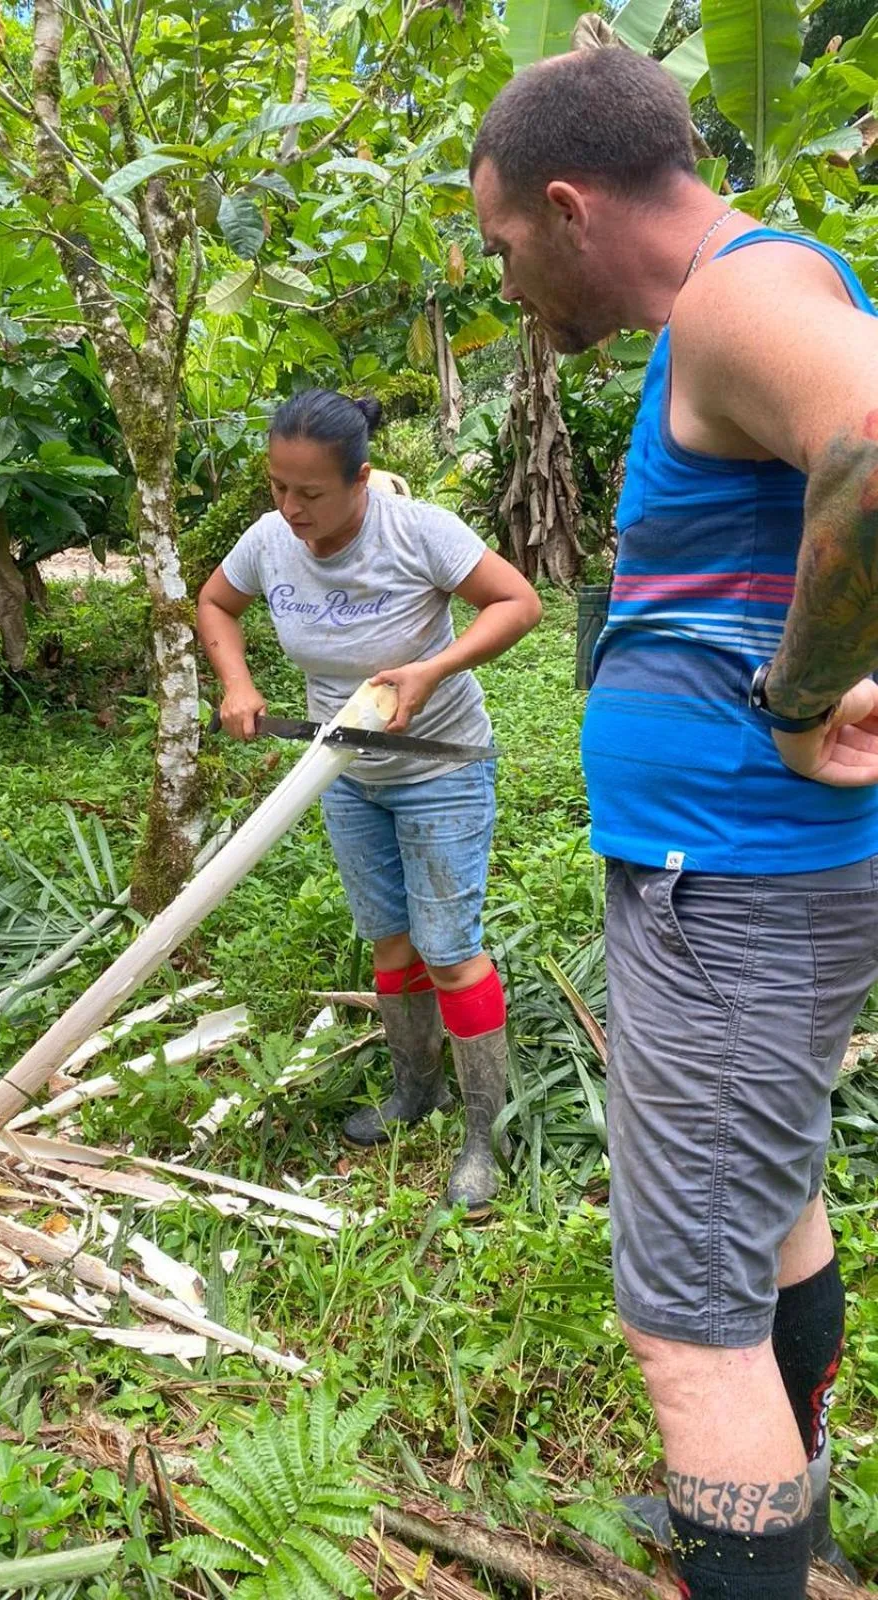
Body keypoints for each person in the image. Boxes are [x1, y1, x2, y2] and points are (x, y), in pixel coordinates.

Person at [469, 45, 878, 1598]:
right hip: (740, 881)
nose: (509, 280)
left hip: (737, 884)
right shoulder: (755, 297)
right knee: (768, 1221)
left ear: (569, 208)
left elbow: (876, 449)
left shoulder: (731, 298)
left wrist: (793, 697)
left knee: (686, 1330)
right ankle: (796, 1520)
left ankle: (751, 1529)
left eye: (506, 245)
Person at [196, 389, 541, 1209]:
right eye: (277, 487)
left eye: (309, 492)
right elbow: (217, 602)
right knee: (391, 945)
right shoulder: (269, 541)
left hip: (440, 766)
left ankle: (479, 1138)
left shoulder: (417, 531)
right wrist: (237, 683)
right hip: (344, 772)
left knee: (448, 949)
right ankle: (413, 1094)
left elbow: (518, 602)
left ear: (360, 479)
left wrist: (433, 669)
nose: (289, 507)